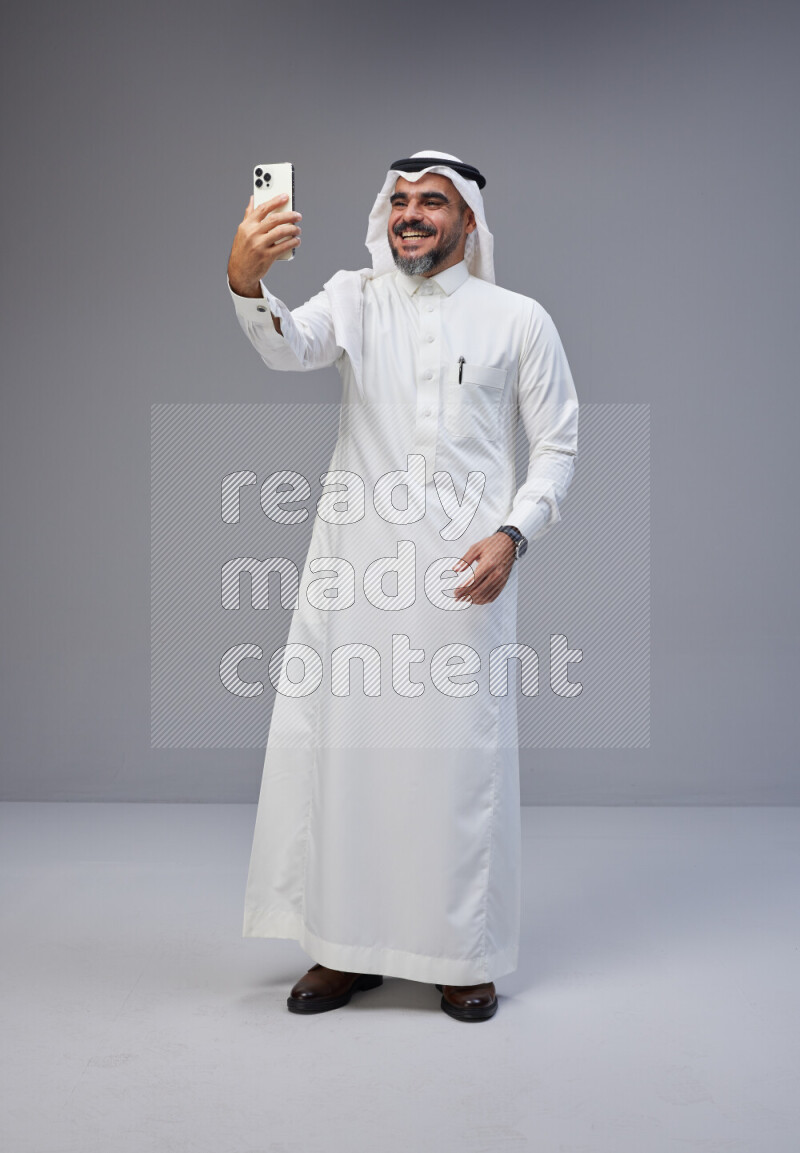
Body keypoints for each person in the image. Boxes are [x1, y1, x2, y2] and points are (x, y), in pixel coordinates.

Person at [226, 150, 579, 1022]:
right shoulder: (355, 297)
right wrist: (245, 281)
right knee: (352, 765)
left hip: (466, 583)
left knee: (457, 770)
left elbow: (559, 447)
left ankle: (461, 954)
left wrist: (513, 534)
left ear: (469, 223)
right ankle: (344, 950)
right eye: (401, 201)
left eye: (433, 203)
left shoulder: (518, 319)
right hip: (359, 576)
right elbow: (289, 346)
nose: (412, 215)